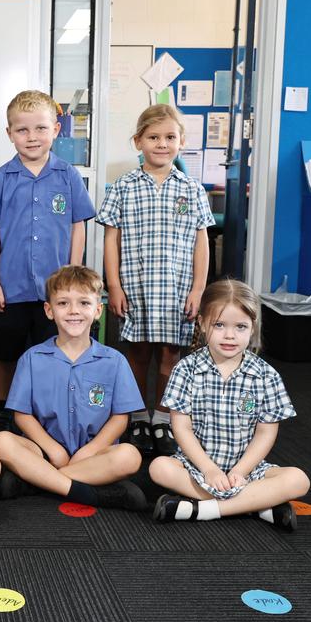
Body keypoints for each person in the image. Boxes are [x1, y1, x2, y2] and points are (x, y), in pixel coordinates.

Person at [97, 104, 213, 456]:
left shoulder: (192, 190)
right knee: (136, 353)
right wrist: (113, 286)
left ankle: (162, 417)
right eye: (153, 137)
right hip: (135, 288)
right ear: (138, 141)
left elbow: (201, 242)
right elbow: (111, 240)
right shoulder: (122, 188)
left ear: (181, 142)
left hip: (176, 291)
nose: (162, 144)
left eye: (170, 137)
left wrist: (198, 289)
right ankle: (135, 417)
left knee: (170, 354)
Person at [0, 90, 96, 431]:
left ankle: (50, 409)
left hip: (54, 290)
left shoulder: (68, 176)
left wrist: (74, 279)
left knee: (55, 351)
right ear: (10, 133)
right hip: (10, 287)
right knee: (5, 353)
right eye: (22, 130)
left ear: (56, 130)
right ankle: (2, 408)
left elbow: (77, 226)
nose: (32, 138)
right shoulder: (0, 179)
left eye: (40, 129)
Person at [149, 279, 310, 531]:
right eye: (219, 325)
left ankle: (202, 510)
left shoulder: (266, 375)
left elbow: (266, 432)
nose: (230, 335)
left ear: (253, 327)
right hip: (196, 465)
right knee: (159, 468)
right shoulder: (185, 370)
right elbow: (181, 428)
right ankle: (257, 504)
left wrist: (240, 471)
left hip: (247, 470)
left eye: (240, 327)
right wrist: (209, 469)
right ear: (202, 323)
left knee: (299, 480)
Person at [0, 266, 147, 510]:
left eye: (84, 303)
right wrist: (53, 449)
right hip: (43, 451)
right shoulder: (32, 358)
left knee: (130, 456)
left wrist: (90, 451)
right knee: (1, 441)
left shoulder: (114, 361)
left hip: (94, 455)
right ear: (49, 311)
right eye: (63, 303)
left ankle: (37, 481)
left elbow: (120, 419)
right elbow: (22, 415)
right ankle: (89, 490)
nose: (74, 311)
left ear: (98, 310)